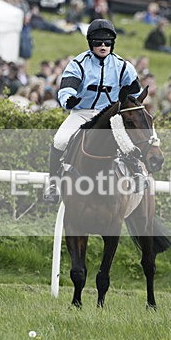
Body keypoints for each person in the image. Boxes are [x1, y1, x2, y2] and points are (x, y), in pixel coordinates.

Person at [43, 19, 141, 203]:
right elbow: (66, 88)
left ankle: (137, 174)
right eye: (98, 42)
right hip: (82, 113)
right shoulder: (78, 64)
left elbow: (136, 93)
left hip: (110, 114)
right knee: (60, 140)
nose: (103, 46)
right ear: (90, 43)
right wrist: (69, 100)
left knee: (128, 142)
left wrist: (129, 99)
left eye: (107, 42)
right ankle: (53, 184)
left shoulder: (123, 67)